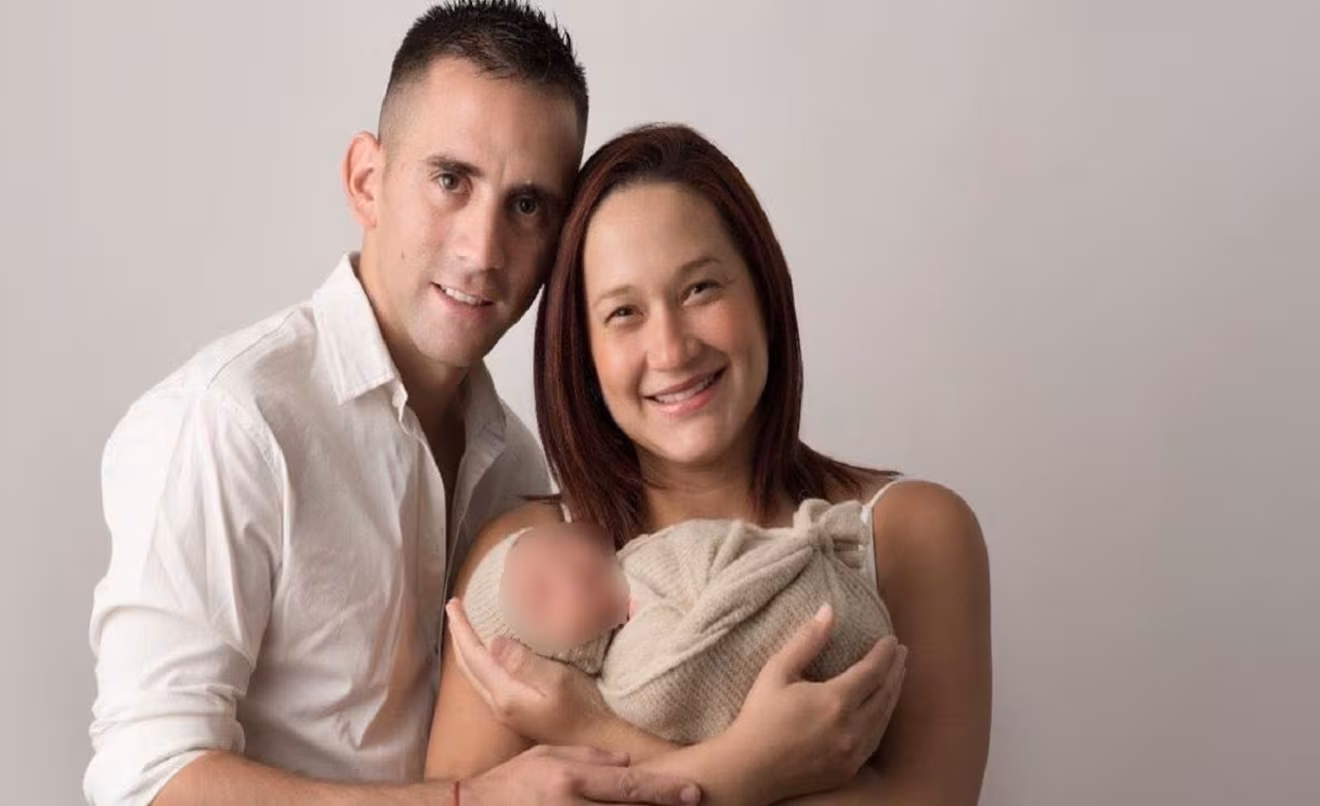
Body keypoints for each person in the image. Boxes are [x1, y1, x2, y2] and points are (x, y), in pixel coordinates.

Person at [84, 4, 706, 805]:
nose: (482, 250)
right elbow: (147, 781)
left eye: (526, 205)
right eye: (451, 180)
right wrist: (471, 803)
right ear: (366, 181)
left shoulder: (513, 463)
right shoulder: (232, 422)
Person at [427, 124, 992, 805]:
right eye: (624, 312)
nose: (671, 350)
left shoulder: (916, 535)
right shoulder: (525, 568)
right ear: (583, 352)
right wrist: (751, 768)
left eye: (699, 290)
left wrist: (587, 725)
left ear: (763, 293)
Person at [459, 498, 894, 744]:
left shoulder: (636, 560)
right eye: (542, 593)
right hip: (814, 625)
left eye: (557, 546)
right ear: (550, 660)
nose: (565, 568)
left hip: (828, 583)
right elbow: (686, 681)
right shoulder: (631, 673)